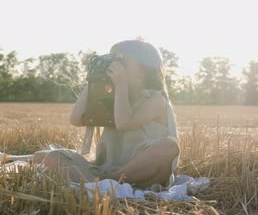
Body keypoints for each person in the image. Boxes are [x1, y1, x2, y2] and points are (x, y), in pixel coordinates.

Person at [36, 39, 180, 189]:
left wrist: (121, 85)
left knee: (169, 146)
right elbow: (76, 118)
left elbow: (123, 122)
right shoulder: (116, 96)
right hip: (107, 168)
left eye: (121, 61)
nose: (115, 67)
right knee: (52, 156)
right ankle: (101, 183)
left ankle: (106, 182)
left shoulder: (156, 99)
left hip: (144, 173)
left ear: (143, 70)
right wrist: (93, 79)